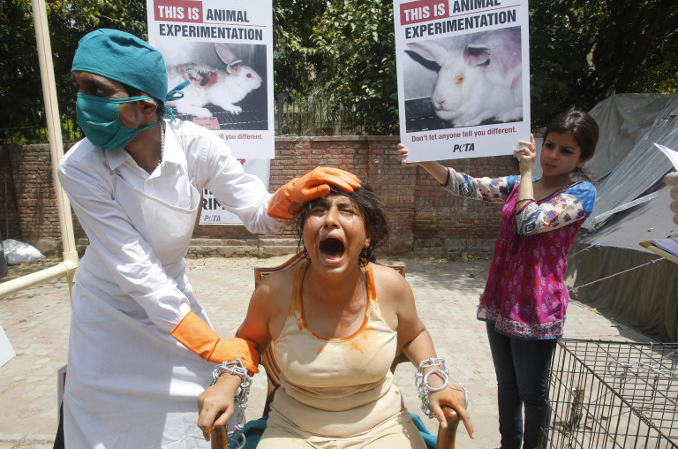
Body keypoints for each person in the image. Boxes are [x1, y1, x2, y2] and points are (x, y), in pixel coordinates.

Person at [56, 28, 361, 449]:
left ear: (146, 107)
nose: (83, 102)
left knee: (198, 411)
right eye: (80, 88)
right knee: (102, 426)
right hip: (108, 314)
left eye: (97, 90)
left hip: (172, 301)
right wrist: (210, 342)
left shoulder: (196, 146)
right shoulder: (79, 166)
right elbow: (135, 270)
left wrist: (289, 196)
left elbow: (258, 215)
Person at [196, 184, 475, 448]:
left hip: (382, 428)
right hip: (293, 429)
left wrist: (436, 379)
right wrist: (225, 383)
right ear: (304, 233)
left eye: (346, 210)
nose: (330, 219)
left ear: (367, 237)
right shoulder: (274, 291)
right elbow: (249, 343)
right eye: (318, 211)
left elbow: (414, 334)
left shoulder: (391, 287)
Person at [397, 110, 599, 449]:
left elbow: (529, 222)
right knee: (506, 385)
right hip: (502, 297)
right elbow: (468, 186)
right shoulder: (522, 184)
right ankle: (508, 444)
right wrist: (424, 159)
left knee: (532, 392)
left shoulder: (581, 193)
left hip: (537, 306)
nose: (552, 155)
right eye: (549, 145)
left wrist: (525, 172)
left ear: (584, 157)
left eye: (566, 151)